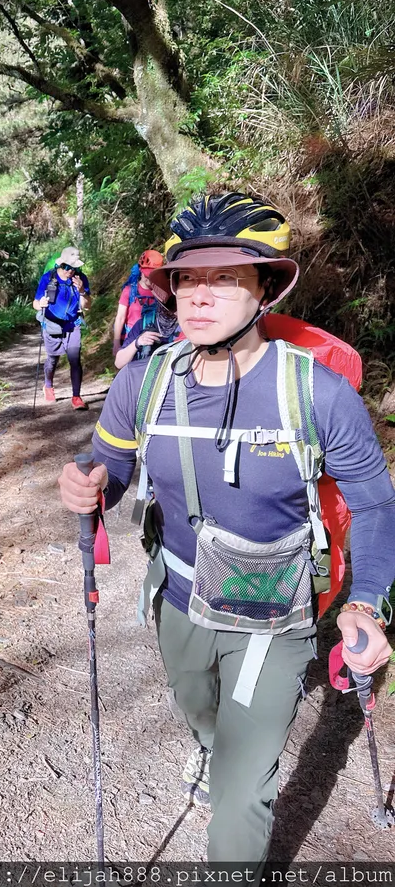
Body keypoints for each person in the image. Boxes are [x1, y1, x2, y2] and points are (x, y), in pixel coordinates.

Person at [58, 193, 395, 865]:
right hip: (177, 600)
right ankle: (217, 745)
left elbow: (376, 502)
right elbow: (112, 468)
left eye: (225, 276)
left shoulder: (318, 394)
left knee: (240, 790)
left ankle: (234, 772)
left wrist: (366, 602)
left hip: (275, 609)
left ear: (265, 286)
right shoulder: (145, 383)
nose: (199, 294)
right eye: (187, 277)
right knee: (200, 710)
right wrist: (90, 483)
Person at [33, 246, 91, 410]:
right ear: (60, 265)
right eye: (67, 267)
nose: (70, 271)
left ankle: (76, 397)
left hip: (72, 324)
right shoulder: (48, 278)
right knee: (53, 359)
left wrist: (81, 292)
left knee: (75, 359)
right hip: (51, 324)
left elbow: (88, 306)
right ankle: (48, 385)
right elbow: (35, 303)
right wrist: (41, 304)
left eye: (73, 267)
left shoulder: (80, 279)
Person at [112, 249, 164, 358]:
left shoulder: (162, 292)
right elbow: (120, 318)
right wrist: (116, 343)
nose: (149, 279)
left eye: (153, 275)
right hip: (131, 341)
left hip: (154, 341)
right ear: (140, 270)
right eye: (147, 275)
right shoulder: (129, 291)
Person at [114, 300, 181, 370]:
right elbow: (119, 363)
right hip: (142, 375)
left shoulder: (186, 327)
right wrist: (137, 342)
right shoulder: (143, 324)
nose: (170, 312)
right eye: (166, 306)